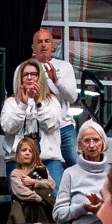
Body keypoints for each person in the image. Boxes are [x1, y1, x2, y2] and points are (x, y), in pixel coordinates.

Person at [0, 61, 68, 190]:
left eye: (34, 74)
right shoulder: (11, 102)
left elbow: (50, 125)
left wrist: (39, 103)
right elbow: (8, 128)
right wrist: (22, 105)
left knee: (55, 197)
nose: (30, 77)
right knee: (20, 198)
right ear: (20, 79)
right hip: (18, 160)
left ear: (40, 77)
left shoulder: (52, 101)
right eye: (26, 75)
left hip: (48, 159)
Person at [30, 28, 82, 167]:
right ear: (33, 47)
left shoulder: (65, 67)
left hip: (64, 125)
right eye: (39, 42)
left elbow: (72, 98)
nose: (43, 45)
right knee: (40, 165)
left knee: (75, 163)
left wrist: (56, 81)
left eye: (47, 41)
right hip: (39, 127)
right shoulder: (27, 68)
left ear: (53, 45)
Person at [55, 121, 110, 224]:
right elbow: (58, 215)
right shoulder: (70, 173)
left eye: (96, 140)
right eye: (87, 141)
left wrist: (103, 209)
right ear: (80, 145)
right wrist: (83, 208)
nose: (92, 145)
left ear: (103, 142)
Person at [6, 136, 55, 224]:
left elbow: (51, 184)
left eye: (30, 151)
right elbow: (21, 191)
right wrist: (39, 198)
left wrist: (34, 182)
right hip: (25, 208)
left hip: (43, 208)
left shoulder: (41, 169)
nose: (27, 153)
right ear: (18, 153)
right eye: (24, 150)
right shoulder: (16, 173)